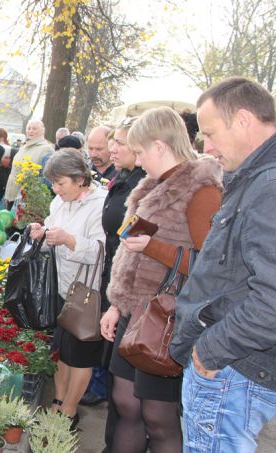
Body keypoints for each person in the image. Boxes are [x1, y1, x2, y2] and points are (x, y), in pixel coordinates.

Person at [100, 106, 222, 453]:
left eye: (139, 151)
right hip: (132, 314)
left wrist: (154, 247)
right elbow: (128, 257)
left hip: (166, 319)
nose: (137, 160)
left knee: (158, 415)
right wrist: (115, 306)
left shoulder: (202, 190)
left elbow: (211, 267)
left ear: (159, 145)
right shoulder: (151, 186)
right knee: (125, 403)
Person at [169, 77, 276, 452]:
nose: (207, 146)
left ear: (244, 120)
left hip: (233, 368)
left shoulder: (268, 186)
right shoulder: (254, 178)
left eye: (210, 133)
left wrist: (211, 349)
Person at [29, 149, 108, 431]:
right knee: (62, 352)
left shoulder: (100, 204)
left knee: (80, 357)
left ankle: (70, 411)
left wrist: (69, 239)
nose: (55, 189)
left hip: (87, 293)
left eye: (60, 183)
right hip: (63, 288)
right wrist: (43, 231)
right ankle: (58, 402)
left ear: (79, 179)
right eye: (53, 183)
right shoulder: (61, 201)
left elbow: (101, 251)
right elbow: (53, 229)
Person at [95, 117, 146, 452]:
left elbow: (137, 243)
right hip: (115, 283)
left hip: (134, 295)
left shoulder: (146, 186)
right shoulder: (120, 178)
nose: (113, 148)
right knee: (117, 387)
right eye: (112, 141)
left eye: (121, 143)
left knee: (131, 398)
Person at [4, 120, 54, 208]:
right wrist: (8, 195)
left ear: (42, 131)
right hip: (11, 197)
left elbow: (47, 179)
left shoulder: (46, 149)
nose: (30, 131)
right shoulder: (23, 147)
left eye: (34, 129)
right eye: (29, 128)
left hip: (26, 200)